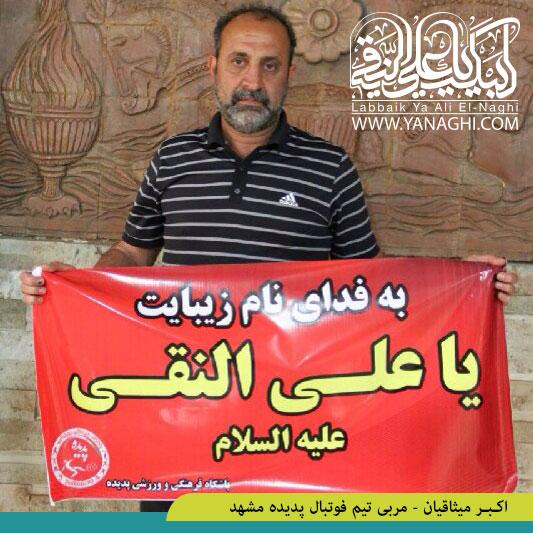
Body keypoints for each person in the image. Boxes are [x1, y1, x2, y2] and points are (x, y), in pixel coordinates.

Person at [19, 3, 518, 511]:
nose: (252, 81)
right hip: (182, 415)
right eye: (239, 61)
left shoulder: (330, 167)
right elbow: (132, 251)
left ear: (289, 74)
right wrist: (73, 287)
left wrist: (464, 285)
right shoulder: (172, 159)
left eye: (270, 65)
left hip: (295, 424)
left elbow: (374, 285)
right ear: (214, 66)